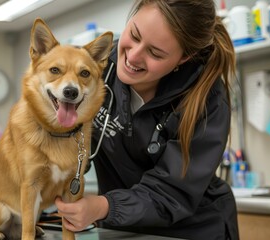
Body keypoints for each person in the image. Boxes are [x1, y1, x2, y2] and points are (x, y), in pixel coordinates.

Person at [55, 0, 239, 239]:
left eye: (154, 52)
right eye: (134, 34)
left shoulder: (207, 100)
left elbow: (172, 192)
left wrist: (103, 207)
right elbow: (70, 147)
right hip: (121, 230)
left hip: (192, 230)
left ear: (183, 58)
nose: (133, 55)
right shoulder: (97, 71)